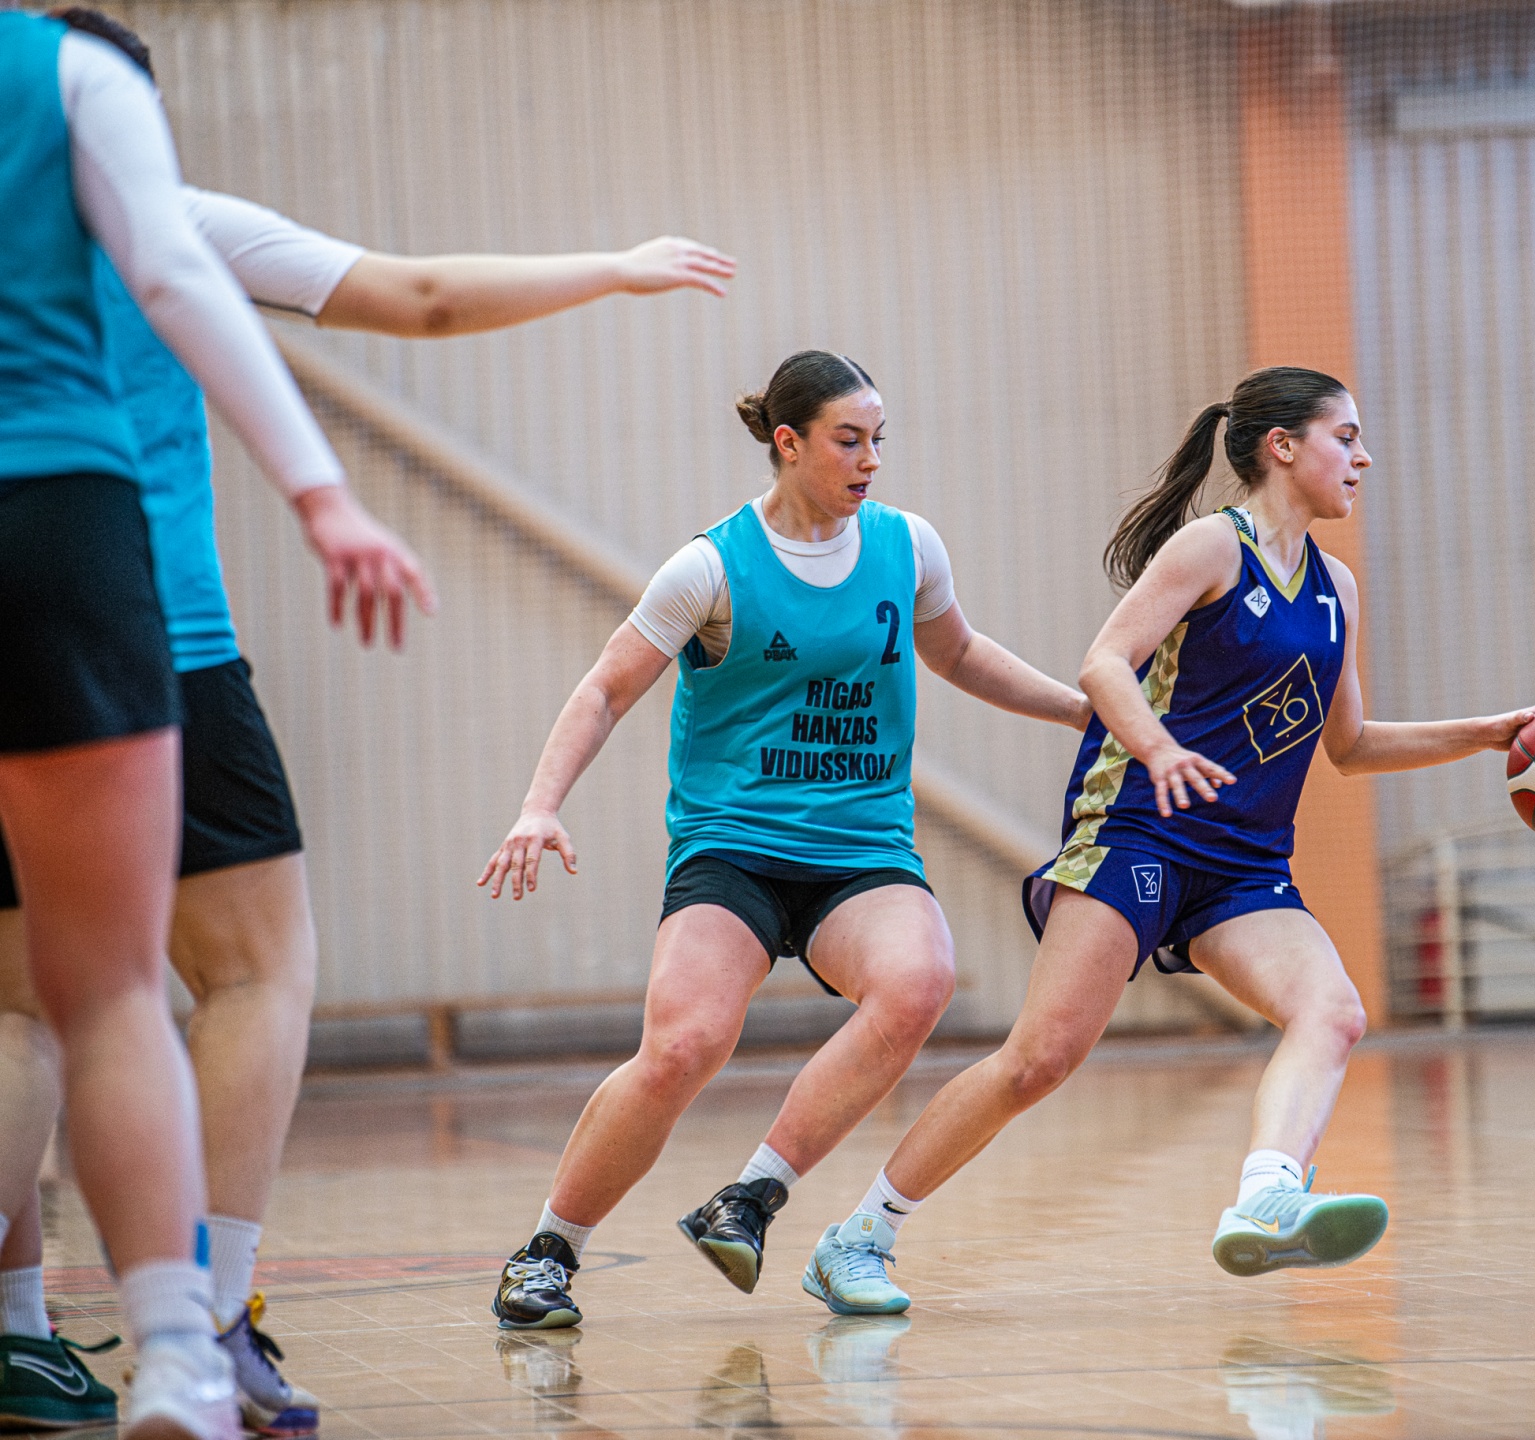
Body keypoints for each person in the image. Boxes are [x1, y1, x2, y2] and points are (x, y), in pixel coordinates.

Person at [0, 10, 740, 1434]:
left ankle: (20, 1332)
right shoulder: (151, 190)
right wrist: (613, 266)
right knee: (245, 970)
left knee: (17, 999)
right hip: (133, 621)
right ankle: (207, 1326)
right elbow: (421, 293)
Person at [796, 366, 1535, 1315]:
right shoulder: (1212, 547)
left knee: (1333, 1012)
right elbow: (1104, 663)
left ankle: (1268, 1195)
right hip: (1141, 829)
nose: (1362, 458)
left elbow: (1349, 746)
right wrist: (1155, 747)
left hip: (1244, 862)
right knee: (1039, 1060)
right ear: (1283, 446)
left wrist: (1486, 734)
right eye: (1346, 436)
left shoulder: (1337, 589)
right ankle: (858, 1237)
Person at [0, 12, 433, 1440]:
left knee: (11, 1005)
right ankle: (190, 1349)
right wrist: (323, 494)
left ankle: (32, 1330)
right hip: (74, 548)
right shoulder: (66, 77)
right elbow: (209, 273)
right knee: (124, 991)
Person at [477, 349, 1089, 1330]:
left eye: (879, 439)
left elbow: (961, 653)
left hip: (862, 848)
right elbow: (605, 689)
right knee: (683, 1046)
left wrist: (1080, 712)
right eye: (850, 440)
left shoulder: (907, 547)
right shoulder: (711, 567)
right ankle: (546, 1252)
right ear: (789, 442)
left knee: (920, 981)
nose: (871, 459)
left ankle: (751, 1197)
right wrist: (538, 804)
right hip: (735, 844)